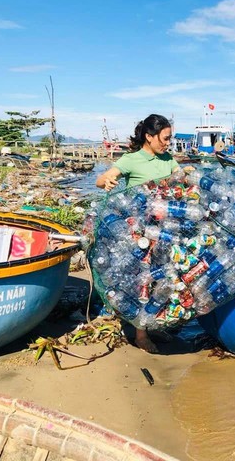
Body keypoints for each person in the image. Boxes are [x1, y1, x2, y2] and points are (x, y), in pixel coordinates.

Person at [96, 113, 179, 353]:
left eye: (170, 138)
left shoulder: (168, 159)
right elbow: (103, 179)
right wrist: (107, 181)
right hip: (139, 233)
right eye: (165, 138)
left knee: (162, 279)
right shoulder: (131, 160)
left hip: (165, 230)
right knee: (143, 280)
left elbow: (181, 177)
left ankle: (153, 324)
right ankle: (141, 334)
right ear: (149, 136)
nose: (167, 143)